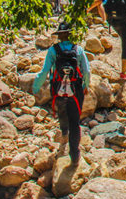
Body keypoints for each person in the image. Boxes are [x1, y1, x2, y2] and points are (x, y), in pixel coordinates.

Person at [33, 22, 90, 164]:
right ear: (70, 35)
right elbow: (87, 71)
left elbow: (45, 71)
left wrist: (36, 88)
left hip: (57, 89)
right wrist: (86, 85)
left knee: (62, 112)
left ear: (59, 36)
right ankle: (75, 155)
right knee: (75, 121)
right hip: (76, 90)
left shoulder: (53, 51)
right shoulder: (79, 50)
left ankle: (64, 133)